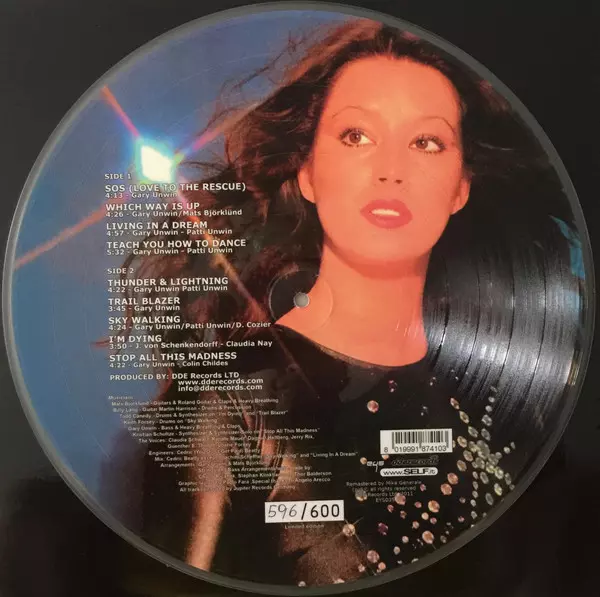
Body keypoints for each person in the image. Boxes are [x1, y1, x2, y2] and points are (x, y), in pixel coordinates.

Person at [109, 17, 584, 588]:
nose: (391, 171)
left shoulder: (510, 398)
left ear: (461, 187)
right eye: (356, 136)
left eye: (426, 142)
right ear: (307, 172)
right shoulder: (226, 402)